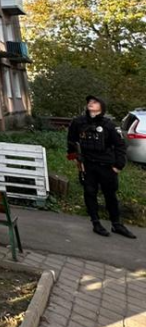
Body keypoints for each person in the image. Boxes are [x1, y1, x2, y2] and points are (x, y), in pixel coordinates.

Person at [67, 95, 136, 239]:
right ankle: (96, 223)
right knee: (90, 193)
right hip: (87, 165)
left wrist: (118, 166)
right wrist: (77, 161)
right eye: (89, 102)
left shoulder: (109, 125)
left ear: (102, 107)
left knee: (110, 195)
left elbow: (119, 146)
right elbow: (71, 142)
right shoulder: (78, 122)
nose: (91, 103)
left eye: (95, 102)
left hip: (107, 166)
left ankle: (116, 224)